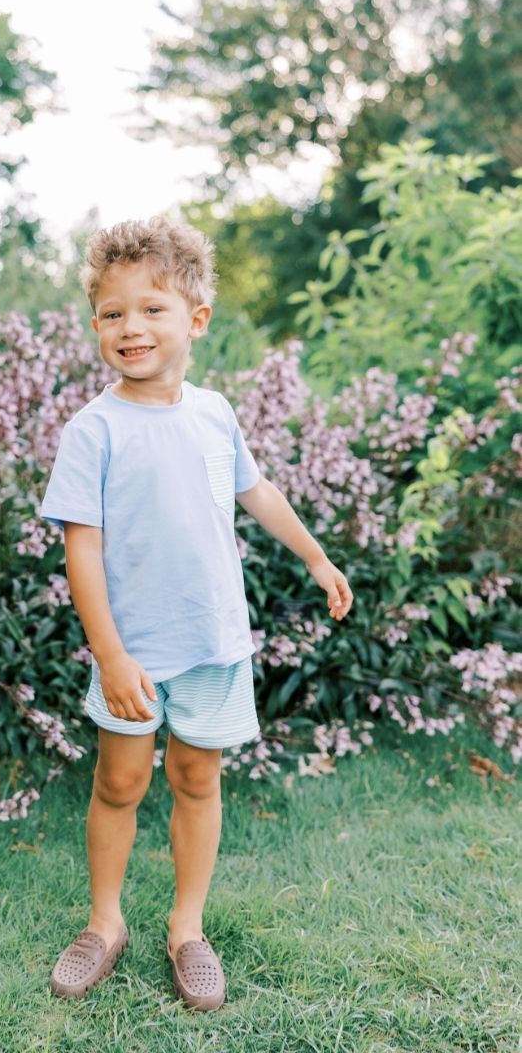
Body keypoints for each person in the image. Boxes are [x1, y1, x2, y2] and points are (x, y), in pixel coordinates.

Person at [39, 217, 353, 1011]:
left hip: (213, 642)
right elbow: (82, 551)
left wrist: (315, 556)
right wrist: (109, 656)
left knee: (195, 777)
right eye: (112, 314)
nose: (130, 328)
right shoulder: (94, 431)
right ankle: (105, 923)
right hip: (133, 651)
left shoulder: (214, 413)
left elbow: (258, 492)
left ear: (196, 320)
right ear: (96, 327)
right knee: (118, 782)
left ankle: (187, 929)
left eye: (151, 309)